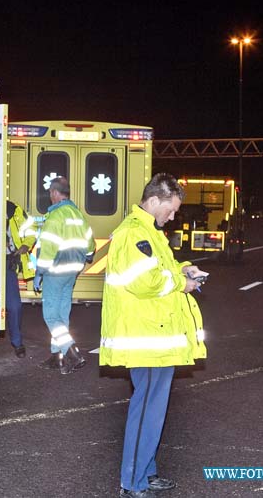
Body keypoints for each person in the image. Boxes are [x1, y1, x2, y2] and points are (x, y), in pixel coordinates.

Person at [100, 172, 207, 498]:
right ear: (155, 199)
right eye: (171, 210)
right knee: (146, 409)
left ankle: (145, 473)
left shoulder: (148, 232)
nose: (173, 216)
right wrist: (181, 283)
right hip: (146, 339)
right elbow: (143, 282)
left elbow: (158, 270)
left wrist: (183, 269)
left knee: (152, 411)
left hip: (155, 338)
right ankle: (132, 482)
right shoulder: (135, 233)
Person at [33, 176, 95, 374]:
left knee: (51, 316)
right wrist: (87, 257)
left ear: (54, 192)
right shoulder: (77, 215)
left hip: (55, 272)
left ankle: (71, 352)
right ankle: (57, 356)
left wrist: (39, 272)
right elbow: (90, 245)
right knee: (62, 314)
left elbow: (48, 248)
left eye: (50, 192)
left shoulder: (56, 216)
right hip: (72, 272)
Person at [6, 199, 37, 358]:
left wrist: (26, 245)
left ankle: (17, 343)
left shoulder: (14, 210)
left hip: (7, 262)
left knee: (14, 306)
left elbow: (31, 230)